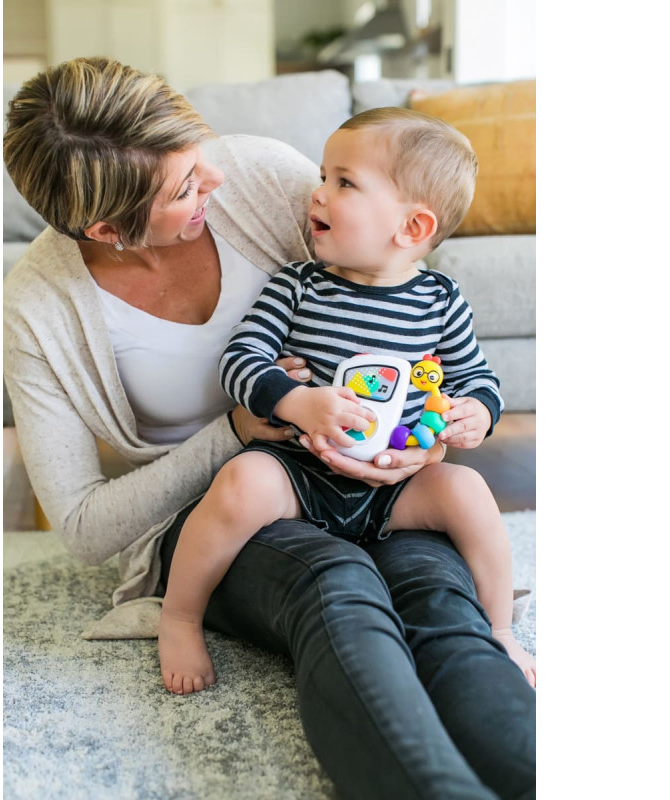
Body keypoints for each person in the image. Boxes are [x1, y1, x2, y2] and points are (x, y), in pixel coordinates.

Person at [3, 57, 536, 799]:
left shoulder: (262, 180)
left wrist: (431, 437)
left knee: (441, 602)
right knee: (339, 586)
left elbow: (429, 344)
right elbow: (88, 528)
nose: (216, 180)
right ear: (107, 228)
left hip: (380, 481)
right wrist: (245, 427)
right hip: (241, 500)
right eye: (186, 187)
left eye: (200, 153)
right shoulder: (37, 310)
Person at [159, 107, 537, 696]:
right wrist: (297, 403)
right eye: (323, 176)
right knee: (239, 484)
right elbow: (239, 359)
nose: (317, 193)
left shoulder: (440, 300)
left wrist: (478, 414)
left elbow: (477, 378)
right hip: (301, 470)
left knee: (468, 491)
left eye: (344, 182)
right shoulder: (298, 284)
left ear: (412, 227)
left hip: (393, 480)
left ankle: (500, 629)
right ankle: (180, 616)